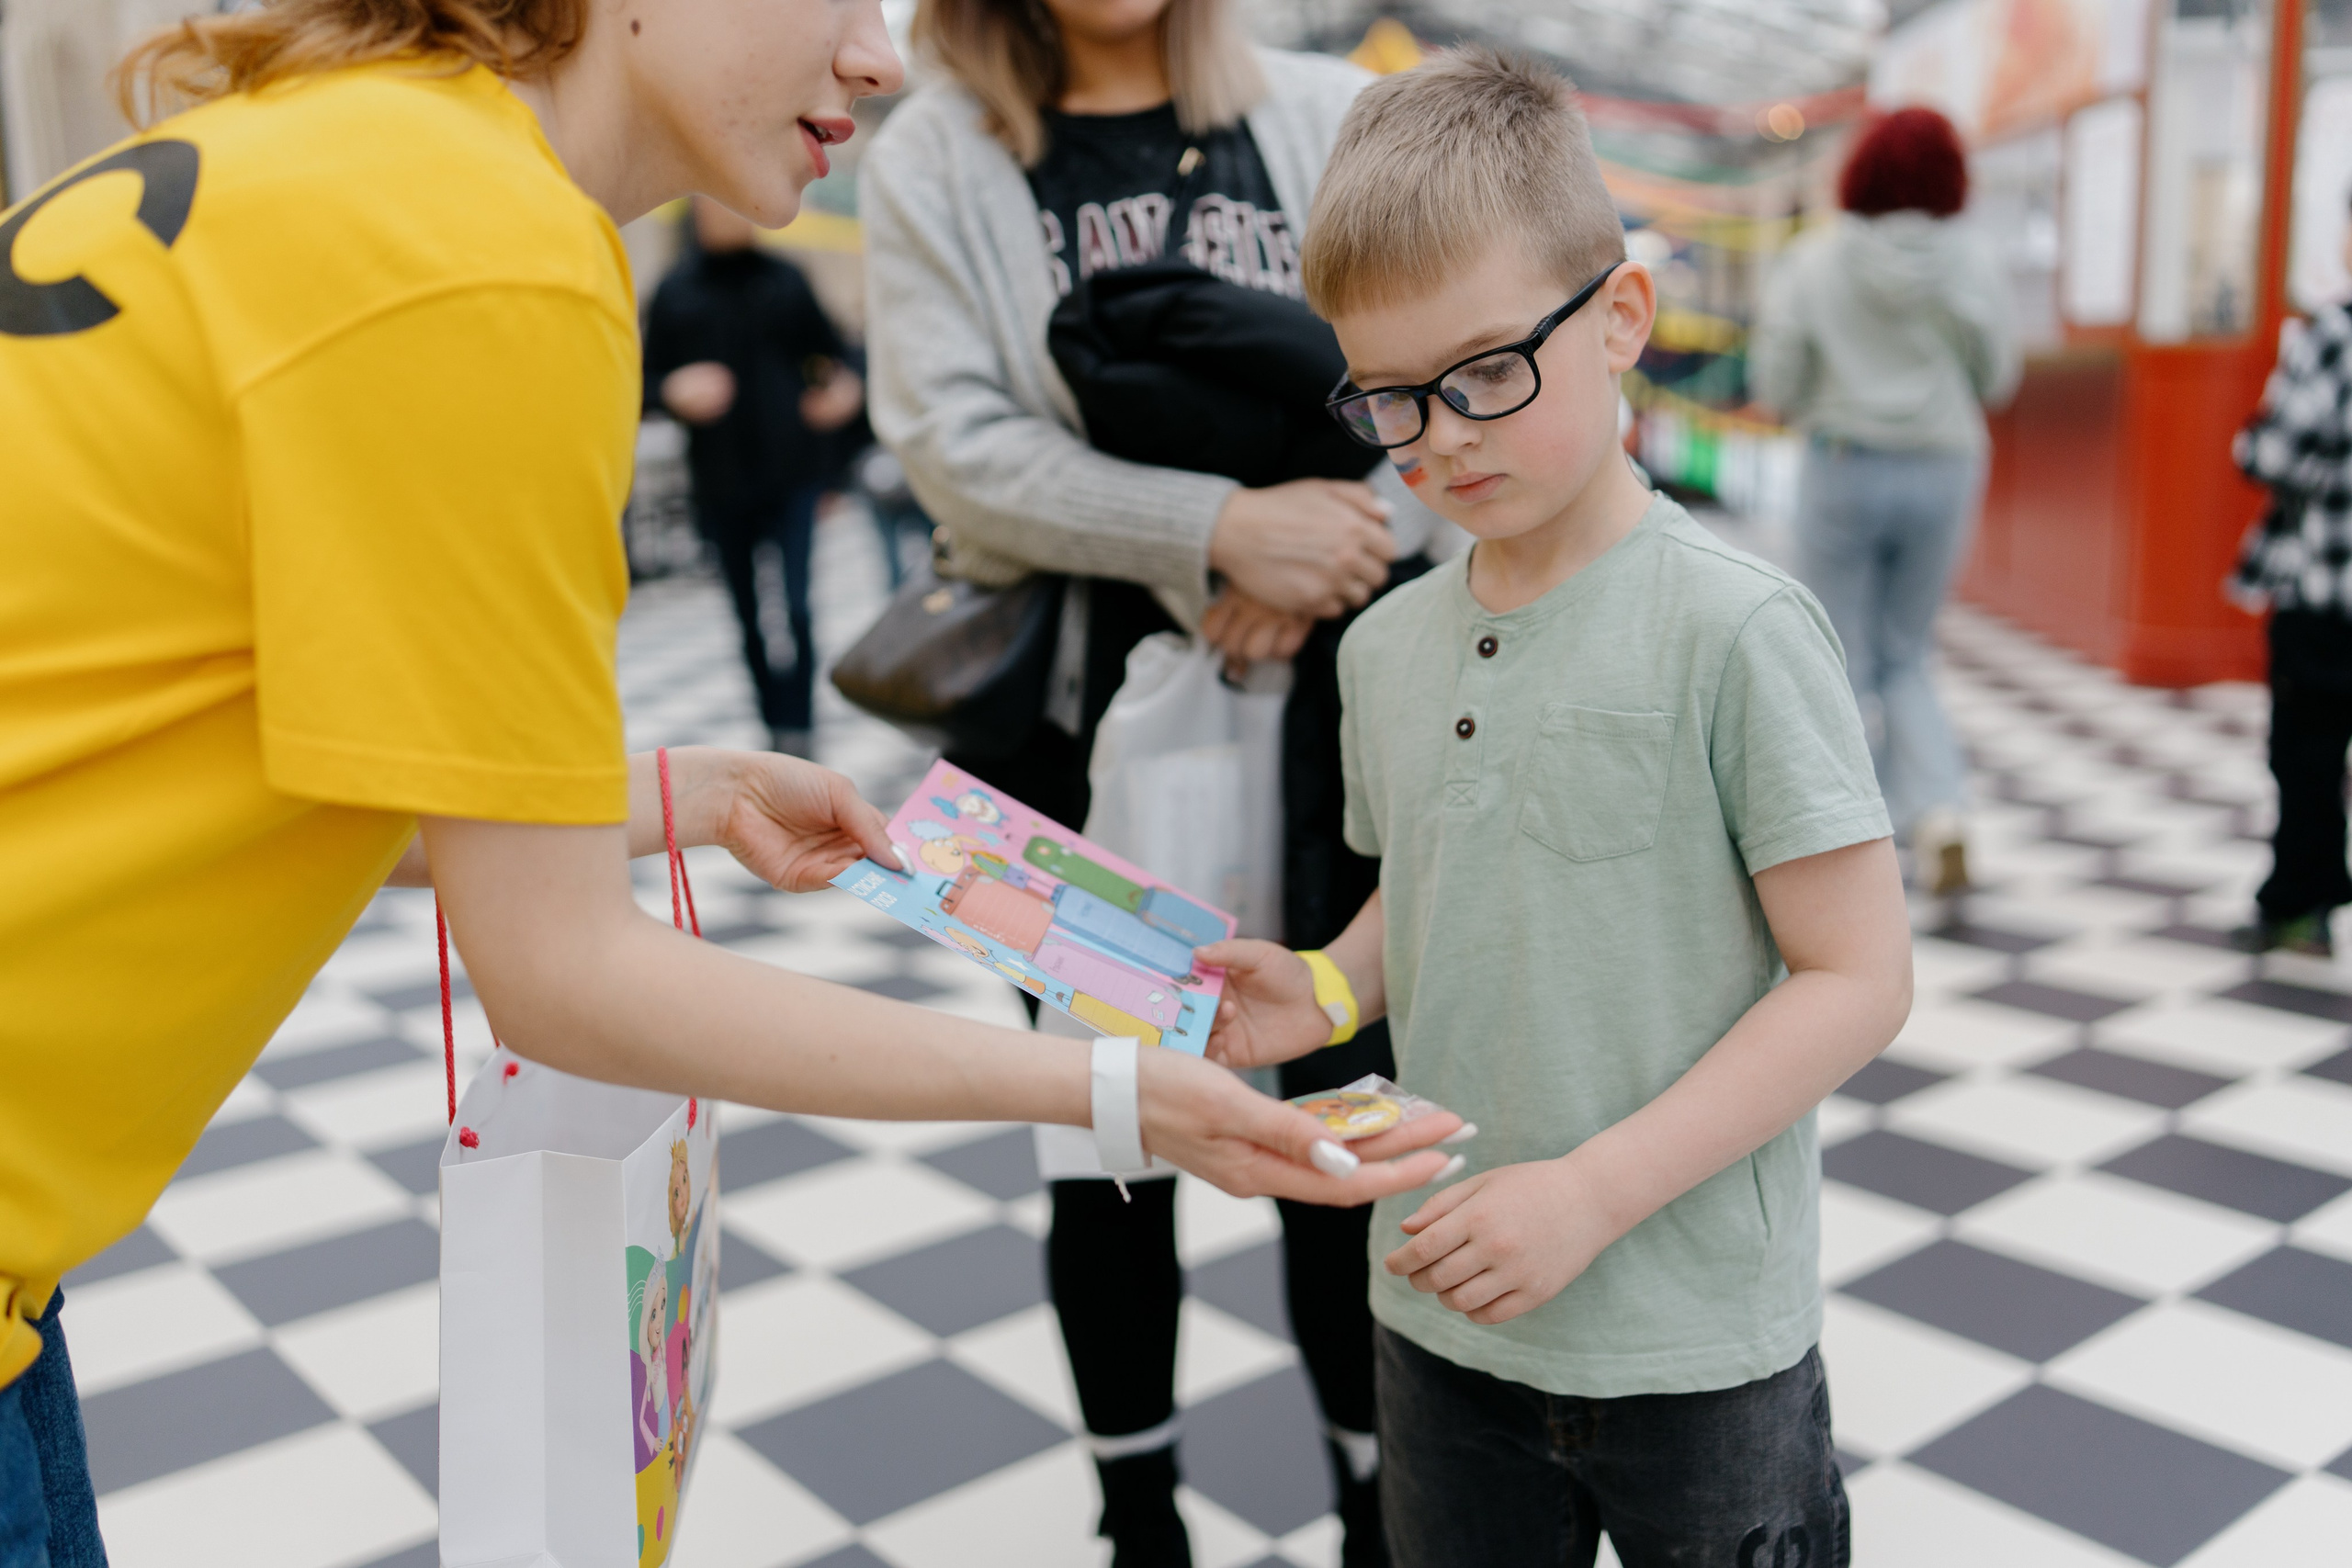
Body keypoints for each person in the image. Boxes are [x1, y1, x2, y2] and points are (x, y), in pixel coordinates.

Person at [0, 3, 1464, 1561]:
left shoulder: (343, 169)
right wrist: (1116, 1085)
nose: (880, 55)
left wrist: (670, 792)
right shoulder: (488, 254)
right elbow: (566, 977)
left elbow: (219, 752)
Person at [1202, 50, 1915, 1567]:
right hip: (1442, 1303)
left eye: (1482, 374)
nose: (1442, 435)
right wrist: (1327, 981)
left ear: (1621, 322)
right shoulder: (1384, 642)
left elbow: (1860, 975)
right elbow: (1440, 883)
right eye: (1388, 398)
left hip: (1695, 1340)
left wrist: (1593, 1192)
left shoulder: (1736, 627)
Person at [862, 3, 1451, 1561]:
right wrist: (1211, 532)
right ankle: (1141, 1520)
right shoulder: (936, 147)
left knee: (1342, 1112)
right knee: (1107, 1129)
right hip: (1068, 747)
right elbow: (950, 438)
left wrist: (1340, 530)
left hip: (1349, 731)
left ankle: (1378, 1501)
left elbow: (1449, 358)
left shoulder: (1332, 114)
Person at [1750, 105, 2018, 896]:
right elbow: (1997, 378)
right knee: (1908, 651)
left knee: (1841, 656)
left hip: (1844, 463)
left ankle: (1840, 828)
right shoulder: (1972, 261)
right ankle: (1939, 810)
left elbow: (1778, 381)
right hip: (1944, 464)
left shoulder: (1816, 260)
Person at [645, 196, 864, 758]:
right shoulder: (676, 290)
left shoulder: (786, 280)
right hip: (720, 483)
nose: (730, 217)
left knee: (796, 605)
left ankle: (801, 726)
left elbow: (835, 357)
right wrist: (674, 389)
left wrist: (839, 395)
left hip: (793, 476)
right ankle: (774, 727)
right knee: (746, 614)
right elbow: (642, 378)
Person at [2225, 195, 2352, 956]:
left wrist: (2252, 440)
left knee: (2306, 750)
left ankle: (2299, 906)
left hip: (2328, 587)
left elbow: (2277, 450)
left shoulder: (2332, 332)